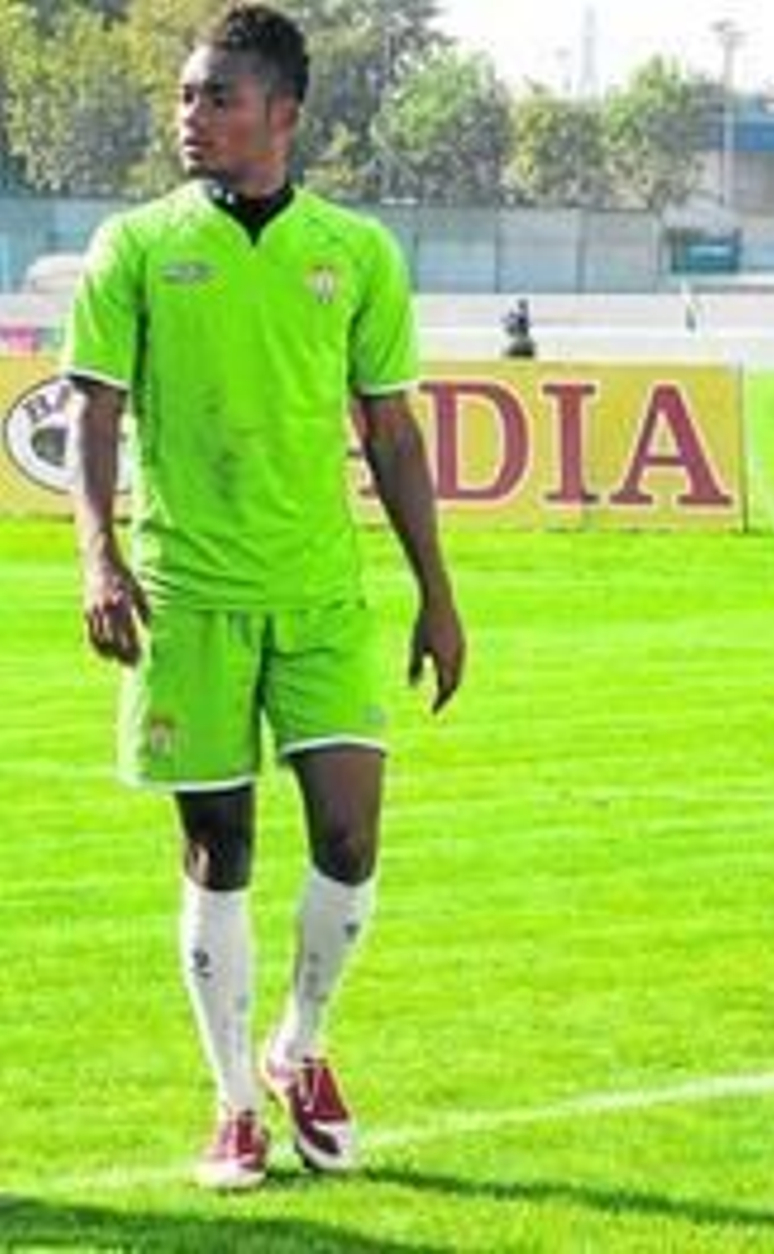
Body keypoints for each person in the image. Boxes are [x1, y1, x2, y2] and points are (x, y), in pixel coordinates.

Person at [65, 4, 464, 1191]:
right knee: (218, 847)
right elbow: (90, 407)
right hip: (186, 594)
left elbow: (390, 430)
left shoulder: (357, 251)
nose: (192, 115)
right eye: (187, 95)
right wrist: (97, 555)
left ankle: (302, 1044)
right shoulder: (133, 246)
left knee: (349, 833)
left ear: (284, 114)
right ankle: (235, 1099)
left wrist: (437, 594)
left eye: (217, 96)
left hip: (321, 596)